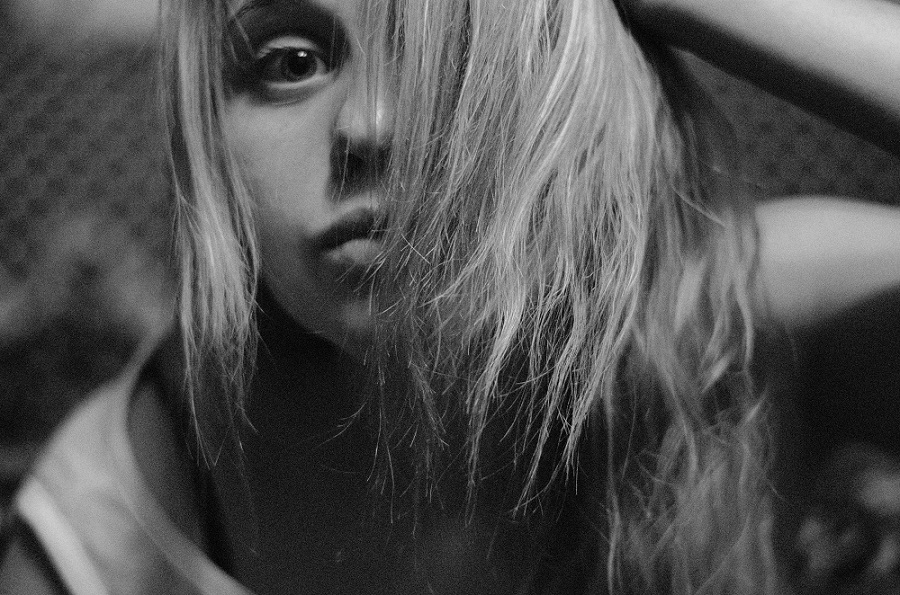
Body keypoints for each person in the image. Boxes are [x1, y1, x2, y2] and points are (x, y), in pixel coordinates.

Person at [2, 0, 899, 593]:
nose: (370, 125)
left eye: (454, 57)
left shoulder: (739, 316)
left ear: (568, 81)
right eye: (291, 60)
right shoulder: (117, 511)